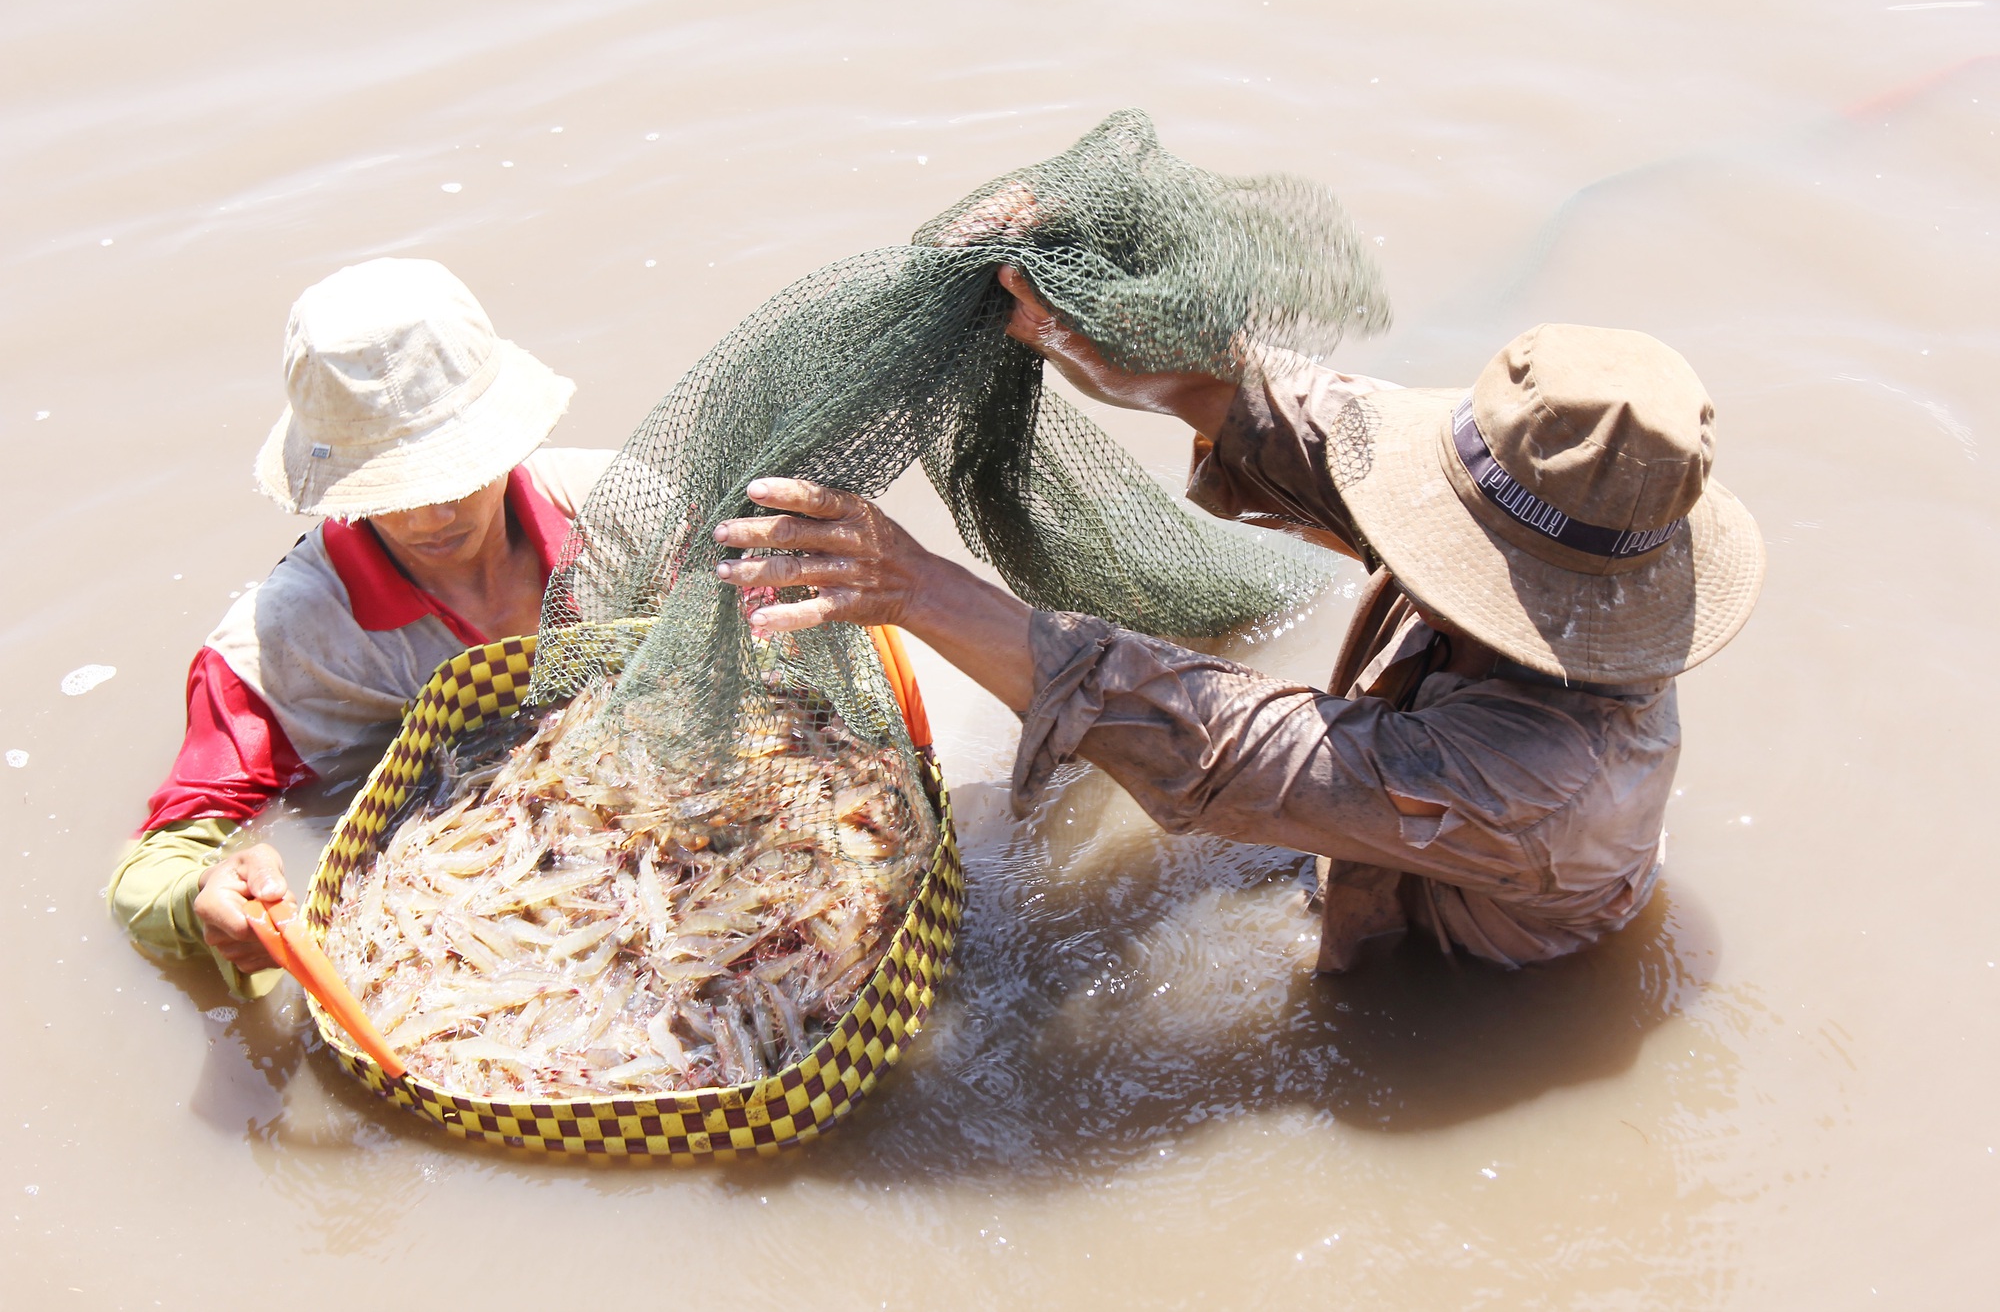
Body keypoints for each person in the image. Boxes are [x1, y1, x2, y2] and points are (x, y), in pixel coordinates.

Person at [712, 266, 1765, 972]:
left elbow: (1231, 747)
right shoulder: (1560, 529)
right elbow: (1304, 424)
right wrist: (1091, 332)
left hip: (1461, 949)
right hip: (1401, 806)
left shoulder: (1548, 780)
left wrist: (917, 587)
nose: (1416, 524)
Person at [110, 258, 614, 998]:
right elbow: (150, 867)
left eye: (454, 474)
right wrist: (204, 895)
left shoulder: (625, 512)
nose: (430, 517)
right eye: (391, 487)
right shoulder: (284, 647)